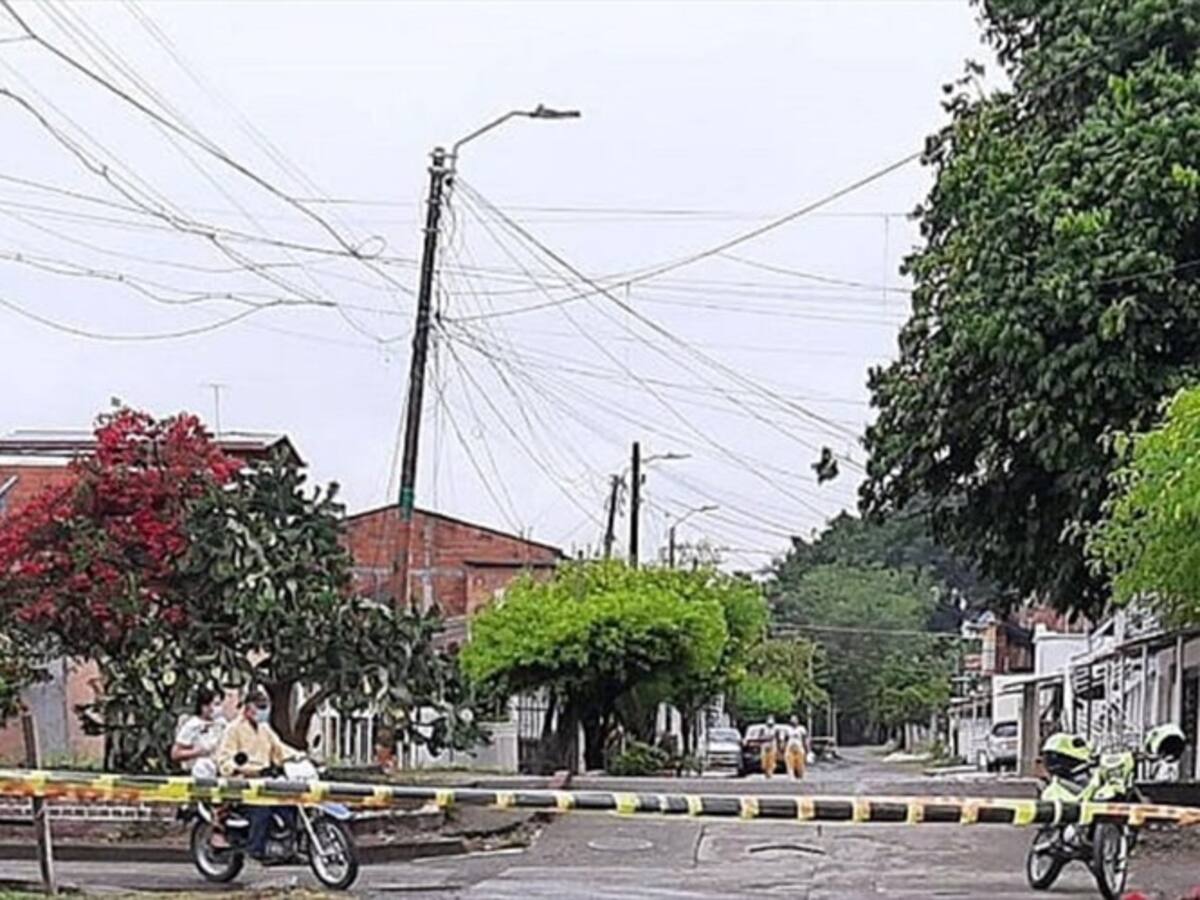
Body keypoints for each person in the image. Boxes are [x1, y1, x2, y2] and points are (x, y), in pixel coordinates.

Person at [215, 689, 301, 861]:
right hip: (242, 785)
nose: (263, 711)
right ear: (247, 708)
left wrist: (299, 756)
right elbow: (224, 761)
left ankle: (290, 847)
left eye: (265, 707)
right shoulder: (233, 729)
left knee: (290, 805)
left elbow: (280, 749)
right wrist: (242, 769)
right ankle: (257, 849)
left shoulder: (265, 729)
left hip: (266, 782)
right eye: (259, 707)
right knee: (262, 809)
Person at [171, 688, 226, 778]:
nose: (218, 708)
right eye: (216, 704)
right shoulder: (192, 725)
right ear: (204, 706)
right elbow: (175, 754)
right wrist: (196, 752)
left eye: (220, 704)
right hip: (198, 771)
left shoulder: (222, 723)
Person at [784, 715, 809, 780]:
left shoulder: (802, 729)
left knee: (800, 763)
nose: (794, 721)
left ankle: (801, 776)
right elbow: (785, 739)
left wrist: (807, 748)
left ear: (798, 721)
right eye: (792, 720)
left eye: (795, 720)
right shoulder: (787, 729)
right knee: (790, 763)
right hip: (790, 748)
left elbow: (805, 739)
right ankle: (791, 776)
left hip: (799, 748)